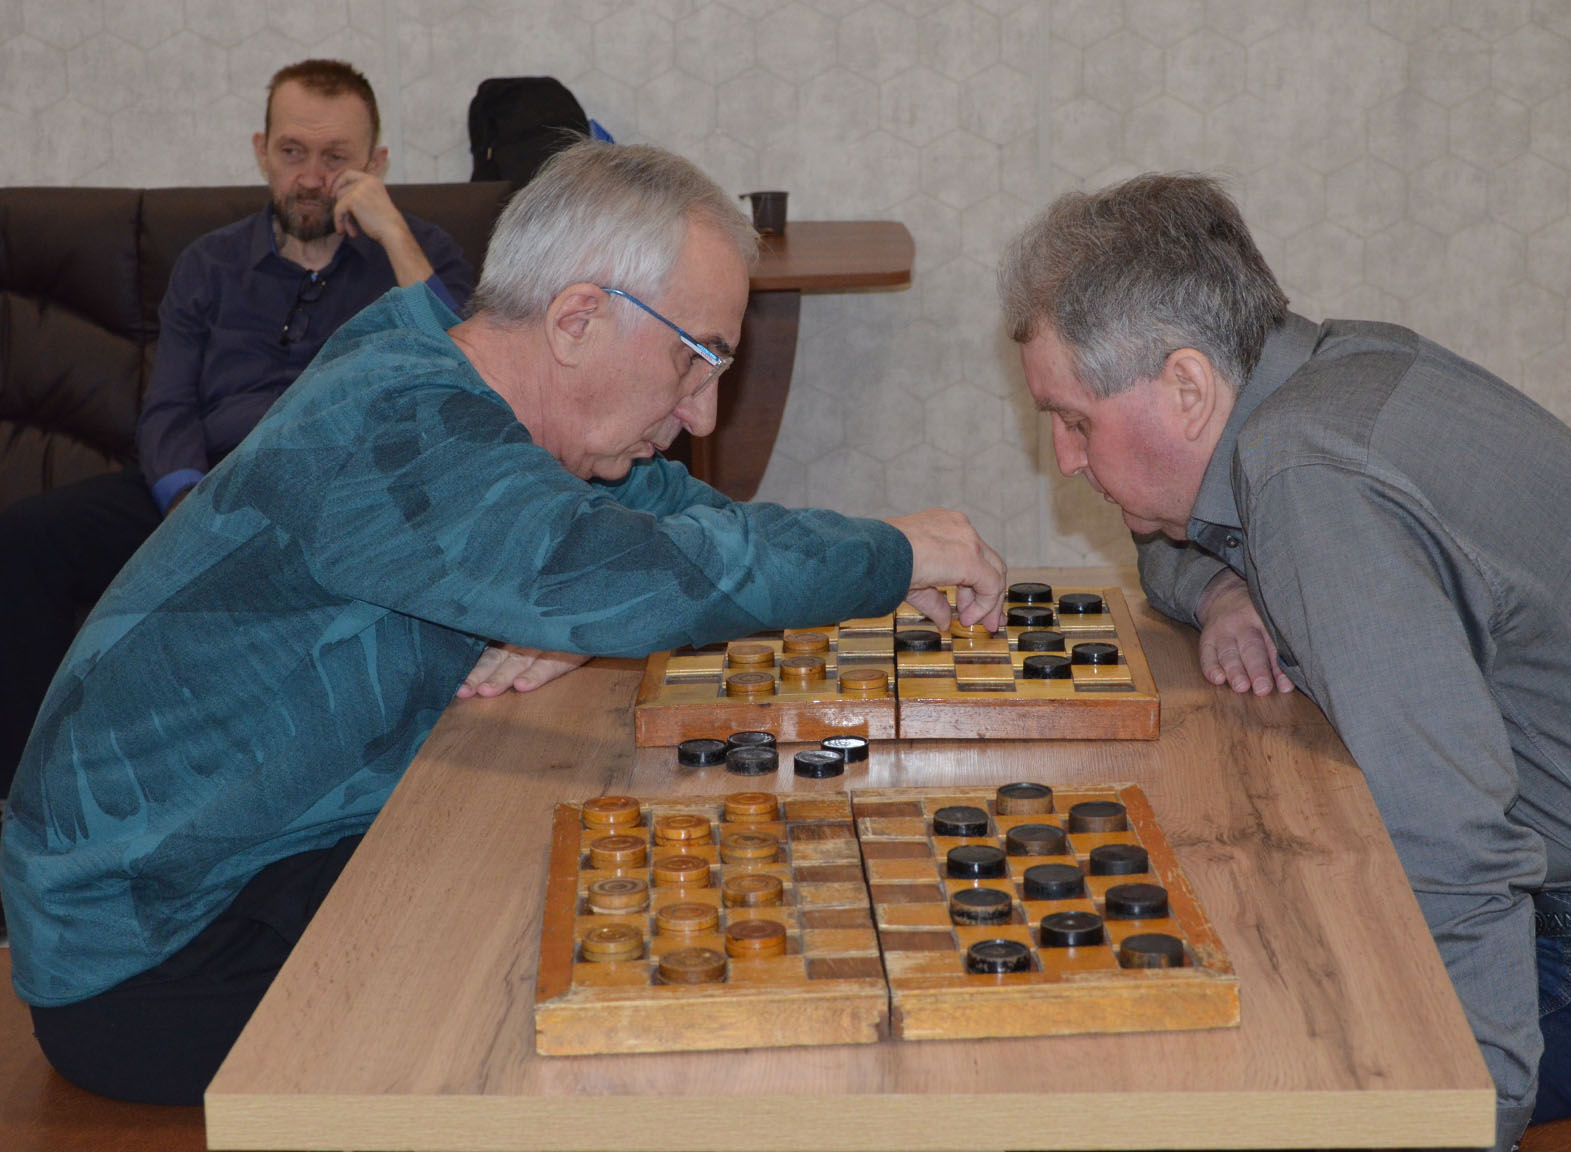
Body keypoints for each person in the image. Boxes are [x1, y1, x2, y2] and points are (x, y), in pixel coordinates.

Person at [0, 139, 1007, 1106]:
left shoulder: (450, 379)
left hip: (257, 869)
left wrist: (854, 555)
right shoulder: (405, 427)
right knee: (646, 988)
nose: (703, 414)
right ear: (576, 320)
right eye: (694, 361)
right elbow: (642, 573)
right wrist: (890, 554)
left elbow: (670, 524)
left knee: (644, 880)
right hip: (158, 951)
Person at [998, 172, 1571, 1152]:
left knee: (1154, 1065)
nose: (1066, 458)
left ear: (1187, 387)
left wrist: (1459, 1114)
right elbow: (1165, 540)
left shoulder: (1310, 475)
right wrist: (1224, 591)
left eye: (1077, 420)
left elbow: (1450, 840)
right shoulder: (1317, 383)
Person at [0, 58, 474, 800]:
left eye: (336, 157)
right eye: (292, 152)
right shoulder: (209, 263)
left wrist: (393, 235)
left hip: (339, 497)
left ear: (376, 164)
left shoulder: (420, 254)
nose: (311, 178)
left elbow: (464, 379)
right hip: (203, 491)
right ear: (261, 151)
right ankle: (26, 801)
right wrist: (190, 508)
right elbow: (167, 408)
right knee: (25, 540)